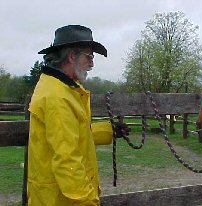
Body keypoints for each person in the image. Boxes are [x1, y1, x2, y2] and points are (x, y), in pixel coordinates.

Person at [27, 25, 129, 205]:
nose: (92, 63)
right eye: (88, 57)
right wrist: (88, 201)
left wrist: (107, 130)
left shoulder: (62, 89)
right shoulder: (57, 97)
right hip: (59, 199)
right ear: (71, 56)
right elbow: (67, 160)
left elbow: (70, 134)